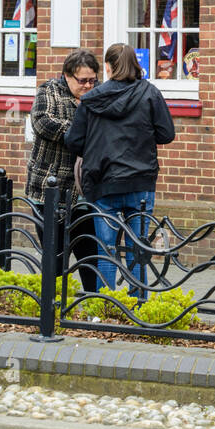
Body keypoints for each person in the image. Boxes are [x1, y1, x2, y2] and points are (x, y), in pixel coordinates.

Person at [65, 43, 175, 296]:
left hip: (104, 183)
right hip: (140, 183)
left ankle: (106, 308)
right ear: (134, 64)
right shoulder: (150, 94)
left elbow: (74, 141)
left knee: (106, 250)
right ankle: (138, 310)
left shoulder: (92, 99)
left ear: (108, 67)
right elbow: (166, 133)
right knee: (138, 250)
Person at [26, 49, 102, 291]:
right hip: (48, 191)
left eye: (93, 80)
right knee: (55, 257)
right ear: (67, 76)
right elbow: (43, 122)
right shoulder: (49, 91)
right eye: (83, 81)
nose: (88, 86)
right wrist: (82, 132)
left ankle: (92, 307)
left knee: (89, 255)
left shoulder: (97, 95)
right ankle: (52, 309)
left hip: (84, 193)